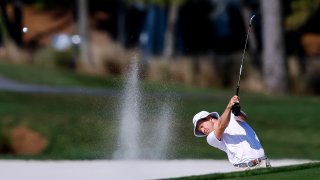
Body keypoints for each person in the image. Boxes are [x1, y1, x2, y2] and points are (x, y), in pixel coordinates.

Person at [192, 95, 271, 170]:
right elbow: (221, 126)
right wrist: (229, 107)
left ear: (209, 118)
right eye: (200, 130)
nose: (203, 130)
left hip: (264, 164)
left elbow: (243, 118)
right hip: (244, 168)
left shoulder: (232, 116)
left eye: (202, 126)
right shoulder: (210, 138)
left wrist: (237, 111)